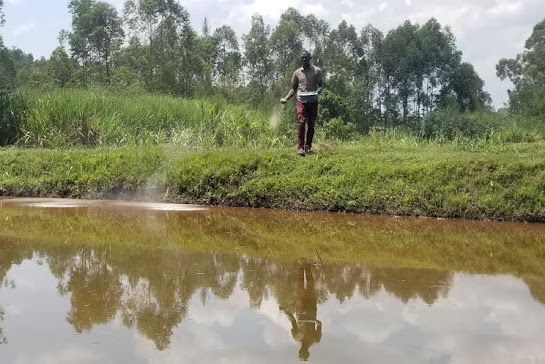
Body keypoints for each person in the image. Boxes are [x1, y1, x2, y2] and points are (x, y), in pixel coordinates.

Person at [280, 50, 323, 156]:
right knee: (301, 122)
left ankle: (308, 147)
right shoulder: (297, 72)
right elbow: (293, 88)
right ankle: (300, 148)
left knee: (311, 124)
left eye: (306, 57)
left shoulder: (316, 71)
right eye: (302, 58)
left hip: (313, 100)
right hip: (301, 100)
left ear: (310, 58)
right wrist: (286, 98)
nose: (304, 59)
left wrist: (316, 93)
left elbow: (321, 85)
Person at [280, 259, 322, 361]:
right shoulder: (315, 340)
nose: (302, 350)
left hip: (300, 308)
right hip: (312, 308)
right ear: (307, 352)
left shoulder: (296, 337)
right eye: (304, 352)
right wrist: (316, 321)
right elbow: (320, 324)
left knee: (300, 287)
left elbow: (293, 320)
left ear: (299, 351)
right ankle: (307, 266)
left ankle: (300, 266)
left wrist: (284, 311)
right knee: (310, 286)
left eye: (301, 351)